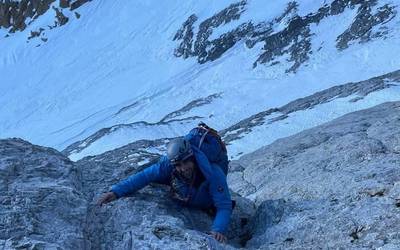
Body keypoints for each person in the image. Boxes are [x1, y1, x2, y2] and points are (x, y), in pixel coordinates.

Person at [97, 124, 233, 243]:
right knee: (153, 171)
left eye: (186, 162)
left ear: (192, 157)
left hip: (202, 199)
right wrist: (116, 191)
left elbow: (224, 205)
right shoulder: (168, 165)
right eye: (178, 165)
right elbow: (145, 176)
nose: (183, 168)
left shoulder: (214, 173)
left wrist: (218, 230)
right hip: (185, 191)